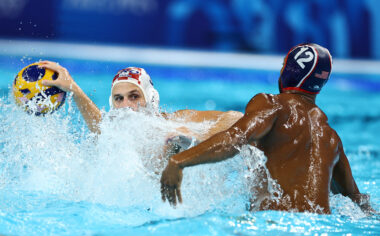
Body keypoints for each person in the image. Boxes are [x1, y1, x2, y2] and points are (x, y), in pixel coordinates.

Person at [160, 43, 374, 214]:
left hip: (274, 227)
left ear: (289, 70)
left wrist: (179, 161)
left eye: (283, 65)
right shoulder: (331, 138)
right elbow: (358, 203)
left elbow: (234, 139)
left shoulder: (272, 105)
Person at [38, 61, 243, 151]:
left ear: (151, 99)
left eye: (134, 96)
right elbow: (100, 126)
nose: (126, 106)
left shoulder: (172, 122)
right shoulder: (116, 133)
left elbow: (235, 117)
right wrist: (74, 89)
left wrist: (198, 136)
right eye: (119, 99)